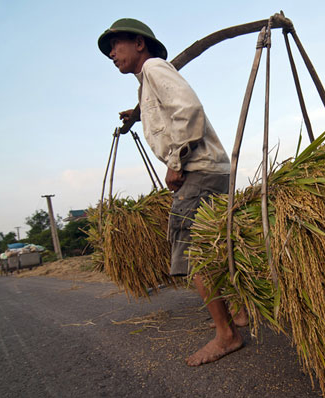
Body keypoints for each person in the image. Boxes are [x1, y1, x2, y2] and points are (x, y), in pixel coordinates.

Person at [98, 18, 246, 366]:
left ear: (139, 44)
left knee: (192, 250)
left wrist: (177, 161)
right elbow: (165, 111)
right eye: (108, 50)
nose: (111, 54)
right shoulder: (146, 83)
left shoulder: (153, 67)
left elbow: (189, 109)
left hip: (196, 171)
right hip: (214, 169)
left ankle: (226, 335)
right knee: (217, 243)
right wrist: (136, 115)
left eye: (115, 44)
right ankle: (237, 312)